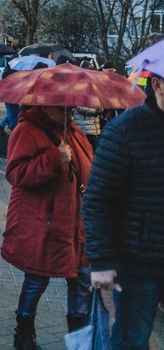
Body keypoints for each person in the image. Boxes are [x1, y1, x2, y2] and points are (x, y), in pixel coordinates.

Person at [82, 70, 164, 348]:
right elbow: (97, 200)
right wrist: (102, 261)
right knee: (132, 339)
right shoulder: (125, 130)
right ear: (158, 85)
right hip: (138, 262)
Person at [2, 105, 94, 349]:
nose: (70, 108)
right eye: (63, 105)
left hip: (75, 223)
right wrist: (55, 157)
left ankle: (79, 338)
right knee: (36, 279)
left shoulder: (74, 132)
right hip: (43, 223)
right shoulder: (27, 130)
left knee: (83, 280)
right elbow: (16, 173)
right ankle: (24, 332)